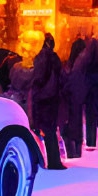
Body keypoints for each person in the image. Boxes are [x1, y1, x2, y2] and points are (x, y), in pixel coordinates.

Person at [29, 34, 65, 171]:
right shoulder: (54, 57)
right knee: (50, 130)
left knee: (40, 129)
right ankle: (53, 161)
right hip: (53, 98)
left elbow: (37, 78)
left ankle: (37, 160)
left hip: (42, 98)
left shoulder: (41, 57)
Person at [61, 36, 88, 158]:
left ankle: (72, 155)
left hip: (69, 102)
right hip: (76, 102)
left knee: (69, 130)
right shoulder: (82, 66)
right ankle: (76, 155)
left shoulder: (68, 66)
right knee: (76, 131)